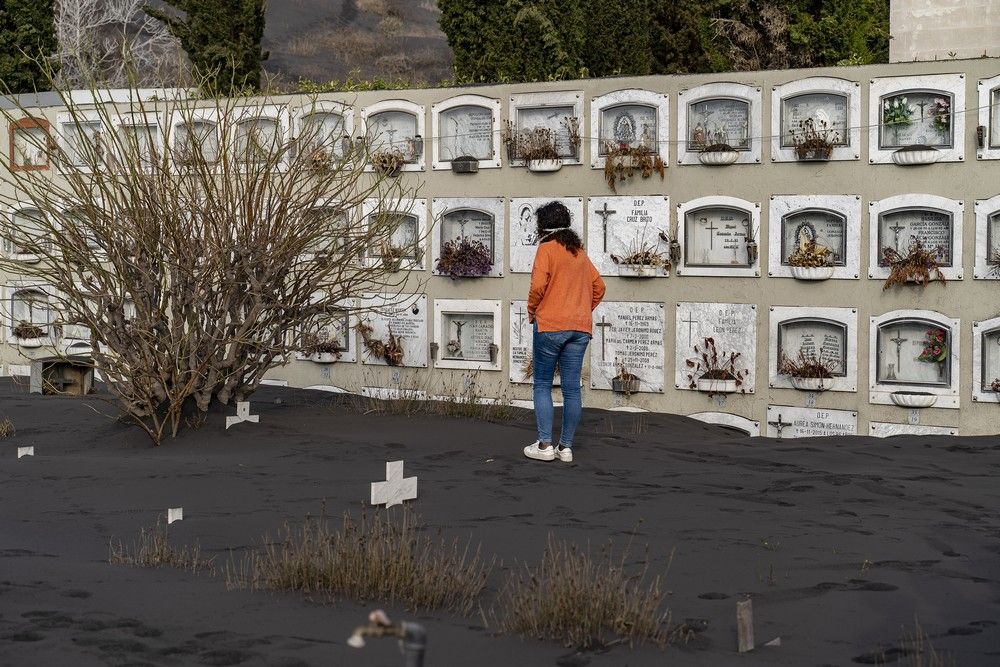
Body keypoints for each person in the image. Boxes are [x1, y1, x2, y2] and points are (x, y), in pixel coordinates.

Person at [524, 201, 605, 463]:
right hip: (579, 329)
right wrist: (582, 310)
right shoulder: (579, 252)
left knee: (543, 384)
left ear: (542, 226)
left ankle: (545, 445)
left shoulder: (546, 249)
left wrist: (532, 310)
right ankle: (566, 447)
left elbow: (538, 286)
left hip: (550, 326)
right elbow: (599, 286)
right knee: (572, 389)